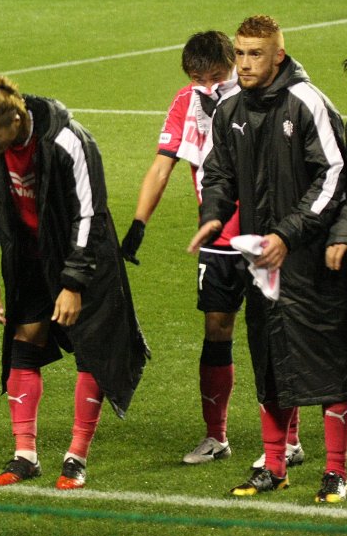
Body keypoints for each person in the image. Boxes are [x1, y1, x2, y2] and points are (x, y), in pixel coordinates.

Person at [121, 31, 304, 467]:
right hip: (217, 238)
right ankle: (216, 436)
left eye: (216, 76)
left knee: (273, 335)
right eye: (197, 78)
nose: (207, 86)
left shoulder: (261, 98)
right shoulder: (186, 103)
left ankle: (290, 441)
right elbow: (162, 166)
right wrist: (139, 223)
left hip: (266, 237)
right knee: (216, 330)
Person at [190, 15, 347, 502]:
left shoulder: (307, 102)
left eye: (255, 54)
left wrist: (289, 233)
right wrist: (213, 215)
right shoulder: (230, 110)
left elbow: (334, 175)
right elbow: (218, 173)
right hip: (262, 259)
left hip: (311, 258)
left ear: (278, 55)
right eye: (239, 53)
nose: (243, 63)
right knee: (269, 360)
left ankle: (335, 470)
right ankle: (275, 465)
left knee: (326, 362)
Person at [0, 76, 150, 489]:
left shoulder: (68, 140)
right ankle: (25, 456)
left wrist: (73, 282)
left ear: (15, 121)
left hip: (84, 253)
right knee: (25, 339)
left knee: (91, 345)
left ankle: (75, 457)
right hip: (27, 255)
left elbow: (90, 214)